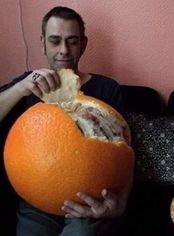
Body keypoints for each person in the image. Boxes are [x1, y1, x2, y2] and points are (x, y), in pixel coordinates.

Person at [0, 6, 133, 236]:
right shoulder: (29, 83)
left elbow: (124, 150)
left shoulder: (106, 89)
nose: (63, 50)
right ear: (42, 43)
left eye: (72, 41)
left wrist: (120, 204)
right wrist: (20, 88)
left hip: (88, 202)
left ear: (83, 44)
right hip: (36, 198)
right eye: (55, 41)